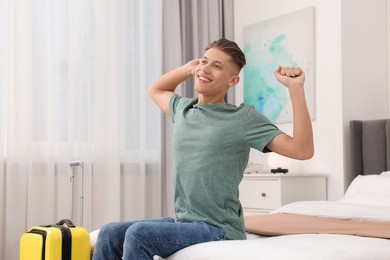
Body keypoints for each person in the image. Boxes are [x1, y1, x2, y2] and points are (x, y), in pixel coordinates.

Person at [92, 38, 314, 260]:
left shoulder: (242, 118)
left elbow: (302, 150)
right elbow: (156, 89)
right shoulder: (183, 109)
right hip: (185, 222)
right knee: (110, 233)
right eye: (204, 61)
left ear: (233, 80)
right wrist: (188, 68)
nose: (205, 69)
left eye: (217, 66)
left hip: (219, 229)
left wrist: (295, 89)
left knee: (140, 235)